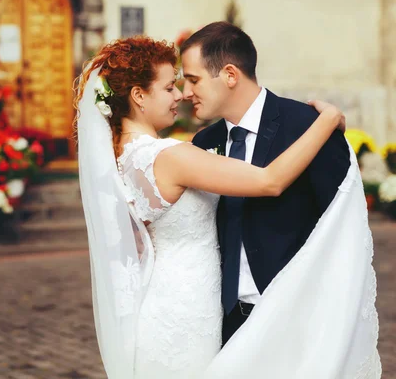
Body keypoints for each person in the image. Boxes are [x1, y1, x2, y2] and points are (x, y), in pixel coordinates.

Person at [75, 32, 380, 379]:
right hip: (192, 314)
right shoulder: (179, 153)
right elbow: (270, 181)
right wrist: (327, 120)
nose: (182, 95)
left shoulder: (127, 158)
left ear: (231, 75)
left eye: (188, 82)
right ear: (138, 96)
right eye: (171, 87)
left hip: (179, 306)